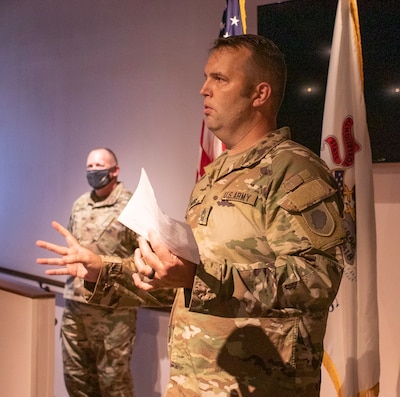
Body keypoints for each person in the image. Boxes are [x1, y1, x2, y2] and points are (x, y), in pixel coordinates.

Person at [37, 35, 345, 396]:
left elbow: (315, 282)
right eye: (206, 77)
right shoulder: (212, 178)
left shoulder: (294, 171)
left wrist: (201, 276)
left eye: (220, 79)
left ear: (259, 94)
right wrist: (103, 270)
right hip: (193, 384)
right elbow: (187, 287)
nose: (204, 90)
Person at [60, 148, 175, 397]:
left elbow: (147, 255)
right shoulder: (80, 204)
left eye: (99, 165)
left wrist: (106, 268)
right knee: (76, 378)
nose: (93, 171)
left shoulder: (131, 206)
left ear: (115, 170)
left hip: (114, 312)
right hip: (76, 305)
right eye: (89, 166)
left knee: (113, 383)